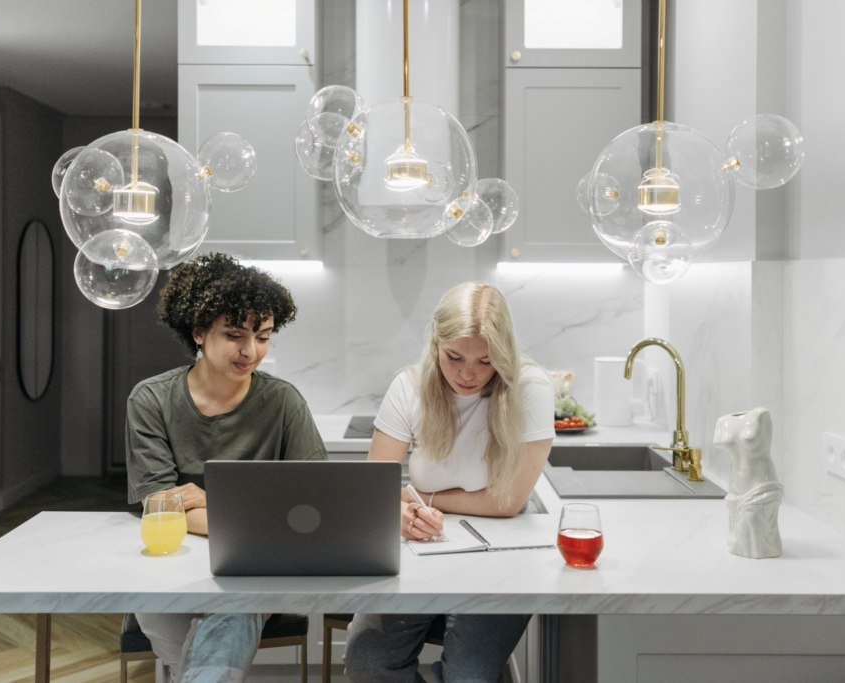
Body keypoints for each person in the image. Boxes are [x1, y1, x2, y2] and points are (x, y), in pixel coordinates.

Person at [126, 253, 328, 683]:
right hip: (169, 564)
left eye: (264, 336)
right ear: (198, 332)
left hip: (252, 566)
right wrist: (259, 515)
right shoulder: (151, 400)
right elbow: (160, 504)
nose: (250, 351)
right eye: (235, 335)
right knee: (208, 638)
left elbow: (313, 504)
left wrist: (207, 501)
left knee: (234, 607)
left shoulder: (283, 403)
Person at [343, 281, 555, 683]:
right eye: (454, 356)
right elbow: (374, 487)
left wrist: (423, 497)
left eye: (486, 361)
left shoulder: (531, 389)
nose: (468, 374)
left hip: (503, 553)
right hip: (420, 548)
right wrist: (402, 514)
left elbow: (506, 502)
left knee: (468, 676)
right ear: (435, 344)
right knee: (367, 662)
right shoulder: (409, 386)